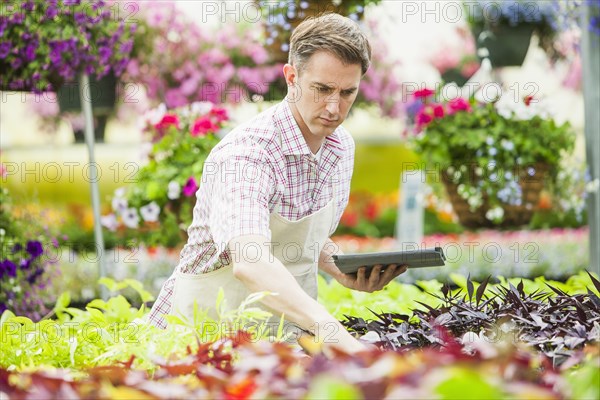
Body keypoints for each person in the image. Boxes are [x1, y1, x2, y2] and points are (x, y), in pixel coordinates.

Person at [148, 13, 407, 353]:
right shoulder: (248, 154)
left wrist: (341, 268)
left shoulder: (341, 148)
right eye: (322, 89)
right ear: (291, 77)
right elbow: (251, 259)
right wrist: (336, 335)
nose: (334, 106)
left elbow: (300, 238)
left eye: (347, 92)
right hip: (199, 344)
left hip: (282, 344)